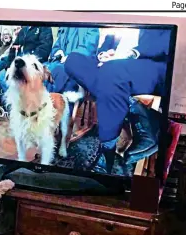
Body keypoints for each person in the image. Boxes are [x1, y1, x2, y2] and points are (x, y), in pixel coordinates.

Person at [64, 28, 171, 173]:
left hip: (151, 62)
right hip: (115, 63)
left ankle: (107, 151)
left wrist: (129, 54)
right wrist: (104, 54)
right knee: (73, 60)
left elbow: (164, 42)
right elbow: (108, 44)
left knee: (111, 73)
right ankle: (143, 117)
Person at [43, 27, 100, 96]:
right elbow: (57, 45)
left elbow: (89, 49)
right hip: (59, 62)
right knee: (43, 69)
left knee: (59, 72)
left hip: (77, 65)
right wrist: (58, 51)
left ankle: (49, 101)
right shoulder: (65, 26)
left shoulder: (91, 27)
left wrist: (69, 58)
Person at [0, 26, 53, 92]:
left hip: (35, 64)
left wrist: (29, 60)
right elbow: (13, 48)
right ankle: (15, 98)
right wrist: (9, 66)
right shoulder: (23, 30)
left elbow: (44, 49)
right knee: (2, 75)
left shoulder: (44, 28)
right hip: (19, 64)